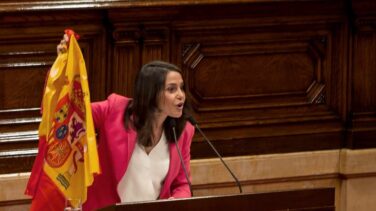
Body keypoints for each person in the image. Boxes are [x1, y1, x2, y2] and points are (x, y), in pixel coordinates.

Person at [57, 36, 195, 210]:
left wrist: (175, 202)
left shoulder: (184, 131)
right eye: (171, 89)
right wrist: (63, 69)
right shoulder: (114, 110)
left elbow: (182, 184)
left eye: (182, 88)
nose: (181, 95)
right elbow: (69, 113)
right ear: (150, 92)